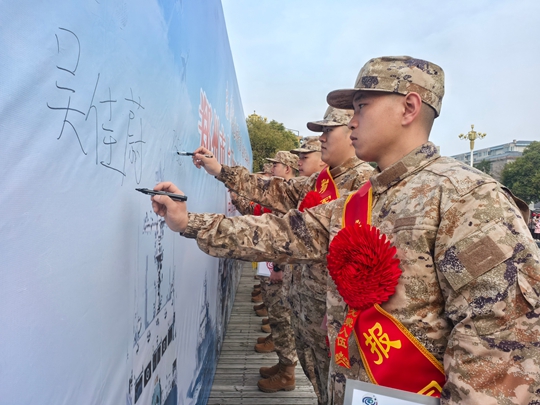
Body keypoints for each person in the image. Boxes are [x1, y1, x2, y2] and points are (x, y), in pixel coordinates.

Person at [150, 56, 540, 405]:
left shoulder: (467, 198)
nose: (352, 121)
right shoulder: (366, 199)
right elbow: (284, 232)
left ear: (409, 107)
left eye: (362, 107)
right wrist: (188, 221)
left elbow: (503, 347)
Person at [190, 108, 374, 402]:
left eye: (328, 131)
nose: (322, 138)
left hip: (336, 316)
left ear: (352, 130)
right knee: (320, 382)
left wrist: (191, 223)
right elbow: (275, 189)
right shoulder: (322, 180)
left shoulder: (364, 184)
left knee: (338, 388)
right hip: (307, 306)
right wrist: (220, 170)